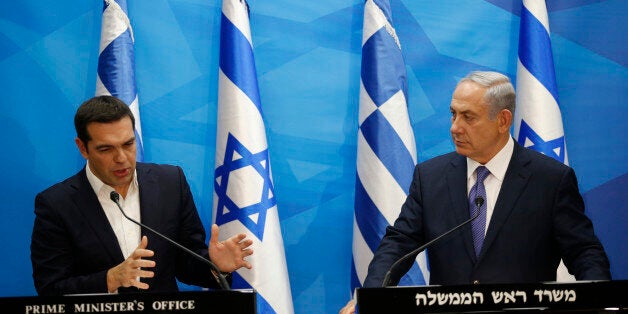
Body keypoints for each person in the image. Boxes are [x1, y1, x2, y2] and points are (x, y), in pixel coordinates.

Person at [340, 71, 610, 313]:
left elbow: (583, 251)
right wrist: (372, 295)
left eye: (468, 117)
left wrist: (600, 298)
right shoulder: (430, 176)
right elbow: (399, 243)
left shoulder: (550, 179)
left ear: (503, 120)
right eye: (453, 113)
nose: (455, 127)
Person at [31, 95, 253, 295]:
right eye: (106, 149)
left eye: (128, 144)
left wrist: (214, 265)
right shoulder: (57, 204)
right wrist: (109, 279)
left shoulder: (170, 183)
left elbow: (186, 264)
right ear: (82, 148)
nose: (121, 158)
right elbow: (50, 288)